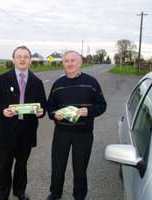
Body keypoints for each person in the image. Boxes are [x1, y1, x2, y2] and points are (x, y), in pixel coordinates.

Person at [0, 46, 46, 200]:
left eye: (25, 56)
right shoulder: (2, 80)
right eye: (18, 56)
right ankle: (1, 195)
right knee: (3, 167)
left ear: (30, 60)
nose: (22, 59)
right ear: (13, 59)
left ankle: (19, 192)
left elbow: (43, 105)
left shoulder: (37, 82)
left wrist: (41, 112)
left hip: (26, 132)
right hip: (6, 131)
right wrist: (2, 111)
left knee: (21, 166)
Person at [46, 50, 107, 200]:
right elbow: (50, 106)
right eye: (66, 61)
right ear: (63, 64)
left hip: (83, 133)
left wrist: (89, 111)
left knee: (80, 167)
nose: (70, 64)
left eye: (73, 60)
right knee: (57, 165)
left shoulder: (91, 82)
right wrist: (54, 114)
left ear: (80, 63)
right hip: (61, 132)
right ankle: (55, 194)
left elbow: (102, 105)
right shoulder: (58, 84)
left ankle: (79, 195)